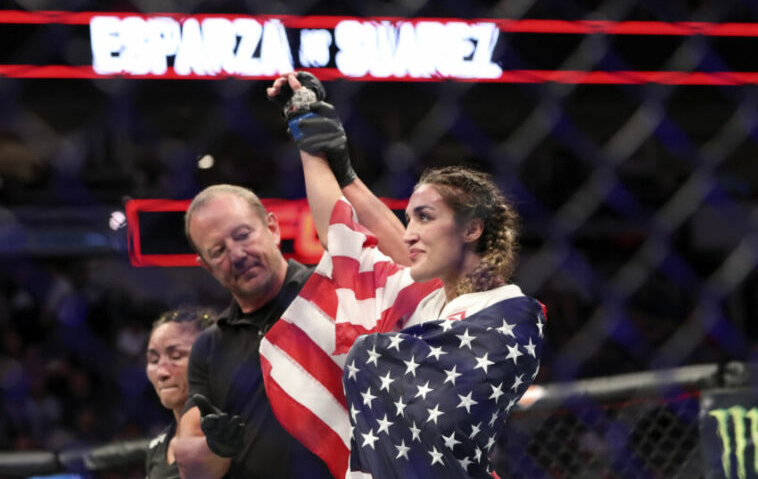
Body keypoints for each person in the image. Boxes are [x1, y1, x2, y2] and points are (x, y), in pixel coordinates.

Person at [263, 73, 546, 478]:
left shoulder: (511, 313)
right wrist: (313, 147)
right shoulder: (423, 301)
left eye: (425, 218)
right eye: (408, 218)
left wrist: (371, 351)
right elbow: (342, 235)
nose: (409, 232)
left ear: (472, 228)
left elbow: (424, 399)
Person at [173, 80, 411, 477]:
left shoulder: (332, 285)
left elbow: (413, 268)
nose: (236, 253)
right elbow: (194, 469)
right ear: (207, 266)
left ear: (271, 227)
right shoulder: (210, 350)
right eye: (218, 250)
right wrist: (216, 449)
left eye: (243, 234)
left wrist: (343, 171)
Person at [144, 307, 215, 479]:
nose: (162, 372)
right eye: (153, 360)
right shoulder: (157, 447)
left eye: (176, 356)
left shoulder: (241, 440)